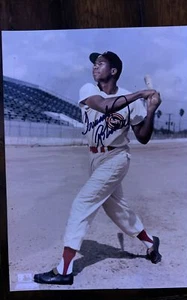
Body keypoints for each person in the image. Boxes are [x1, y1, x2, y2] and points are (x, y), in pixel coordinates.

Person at [34, 51, 162, 286]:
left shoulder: (129, 100)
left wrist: (151, 110)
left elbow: (143, 137)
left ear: (113, 71)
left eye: (100, 63)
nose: (95, 67)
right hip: (95, 158)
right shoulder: (88, 90)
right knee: (117, 210)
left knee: (83, 203)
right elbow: (103, 106)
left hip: (116, 156)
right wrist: (142, 94)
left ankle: (64, 269)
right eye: (94, 64)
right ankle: (150, 244)